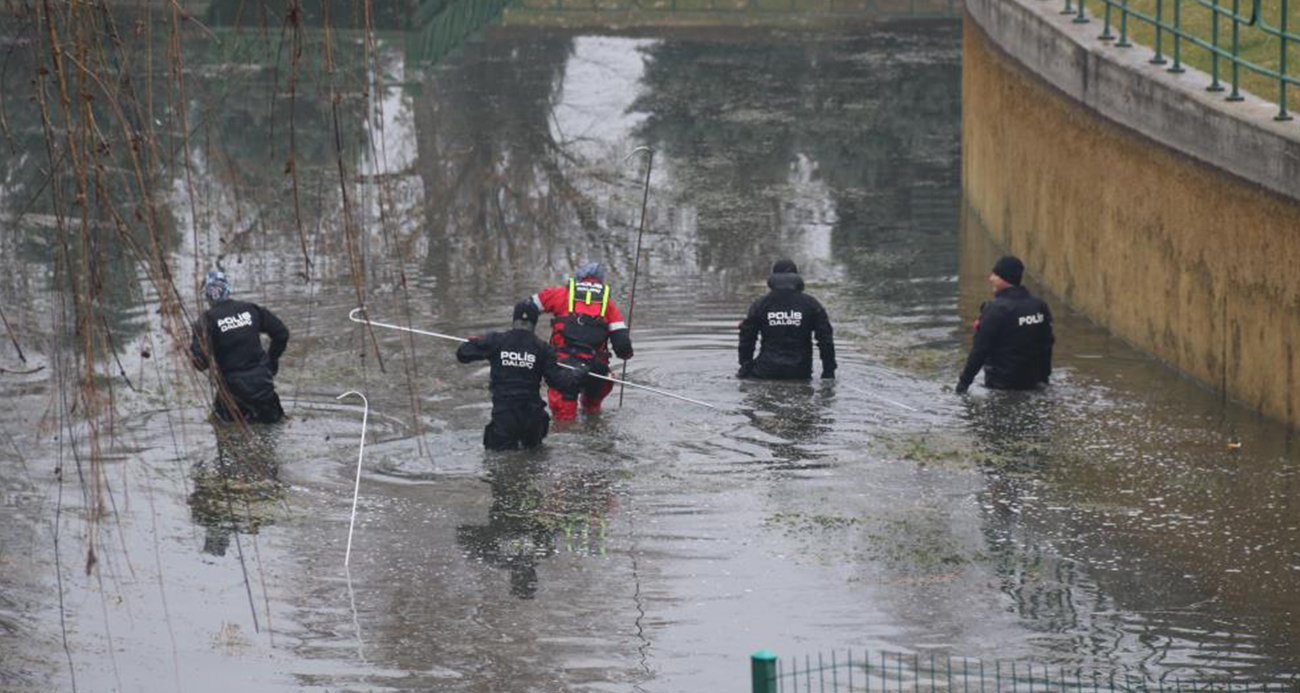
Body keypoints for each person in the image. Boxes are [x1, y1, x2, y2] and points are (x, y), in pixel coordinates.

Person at [456, 300, 584, 450]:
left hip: (505, 417)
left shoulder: (496, 340)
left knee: (499, 463)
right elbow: (559, 383)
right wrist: (578, 372)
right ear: (535, 322)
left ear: (514, 319)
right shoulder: (543, 348)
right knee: (534, 462)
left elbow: (462, 355)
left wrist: (477, 342)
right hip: (532, 418)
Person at [530, 262, 634, 420]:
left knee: (564, 421)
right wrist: (627, 355)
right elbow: (622, 346)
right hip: (596, 372)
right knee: (592, 411)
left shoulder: (561, 295)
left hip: (564, 368)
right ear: (600, 282)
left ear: (578, 279)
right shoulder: (608, 305)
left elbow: (525, 307)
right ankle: (592, 416)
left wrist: (525, 340)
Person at [190, 271, 290, 423]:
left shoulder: (205, 321)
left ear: (207, 296)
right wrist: (272, 361)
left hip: (232, 393)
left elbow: (200, 363)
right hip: (263, 385)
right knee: (274, 431)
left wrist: (193, 352)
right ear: (228, 289)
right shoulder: (250, 309)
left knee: (224, 432)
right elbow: (281, 334)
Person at [956, 255, 1054, 394]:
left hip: (1001, 386)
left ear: (1004, 278)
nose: (990, 278)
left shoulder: (995, 310)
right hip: (1034, 383)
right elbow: (1047, 344)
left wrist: (962, 385)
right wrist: (1044, 379)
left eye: (995, 274)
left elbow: (979, 351)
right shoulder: (1038, 305)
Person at [737, 259, 836, 380]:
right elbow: (825, 340)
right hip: (800, 372)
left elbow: (747, 337)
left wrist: (745, 366)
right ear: (797, 277)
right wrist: (828, 372)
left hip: (765, 371)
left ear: (773, 278)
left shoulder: (761, 304)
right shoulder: (811, 304)